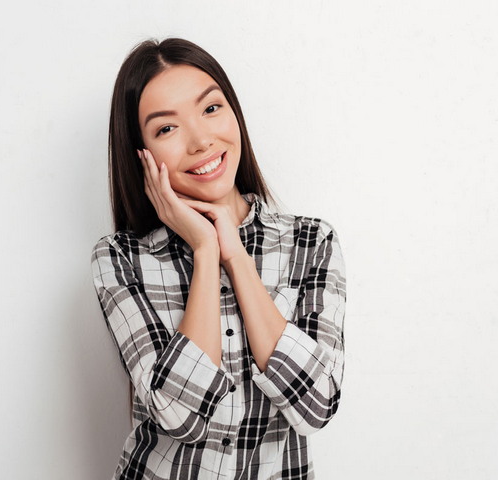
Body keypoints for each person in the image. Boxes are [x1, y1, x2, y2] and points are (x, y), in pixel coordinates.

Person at [91, 37, 347, 480]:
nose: (201, 141)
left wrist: (236, 256)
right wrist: (206, 252)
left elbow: (317, 405)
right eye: (166, 128)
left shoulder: (312, 242)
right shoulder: (120, 259)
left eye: (211, 109)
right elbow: (179, 415)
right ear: (142, 155)